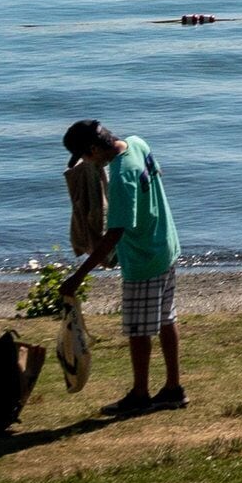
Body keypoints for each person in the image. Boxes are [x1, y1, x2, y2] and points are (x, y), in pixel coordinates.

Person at [59, 119, 185, 412]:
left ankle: (140, 395)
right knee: (166, 319)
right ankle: (173, 388)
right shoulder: (137, 143)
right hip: (165, 244)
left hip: (142, 258)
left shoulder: (121, 176)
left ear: (94, 149)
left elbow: (115, 232)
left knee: (139, 330)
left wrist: (78, 277)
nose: (88, 163)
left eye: (86, 157)